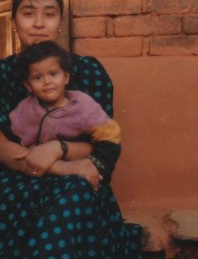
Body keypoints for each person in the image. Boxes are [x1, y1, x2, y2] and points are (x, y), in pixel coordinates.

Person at [0, 0, 160, 259]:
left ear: (61, 21)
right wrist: (61, 163)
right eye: (28, 14)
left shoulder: (87, 71)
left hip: (75, 176)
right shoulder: (0, 73)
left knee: (77, 191)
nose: (39, 23)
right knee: (63, 189)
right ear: (14, 20)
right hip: (21, 178)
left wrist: (57, 148)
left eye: (49, 14)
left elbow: (101, 143)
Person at [9, 40, 122, 192]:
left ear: (66, 77)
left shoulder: (81, 105)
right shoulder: (24, 109)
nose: (47, 82)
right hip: (34, 172)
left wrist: (94, 164)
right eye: (37, 78)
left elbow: (110, 135)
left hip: (73, 172)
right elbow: (12, 140)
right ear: (28, 86)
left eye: (53, 74)